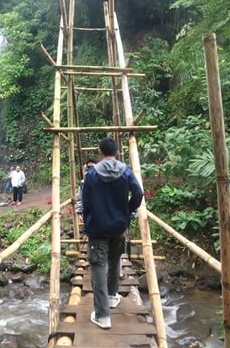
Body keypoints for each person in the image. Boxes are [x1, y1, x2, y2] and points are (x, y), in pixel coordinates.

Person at [82, 137, 143, 330]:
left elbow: (86, 202)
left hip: (98, 228)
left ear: (100, 152)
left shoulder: (92, 174)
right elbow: (139, 193)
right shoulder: (126, 171)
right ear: (117, 153)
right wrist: (128, 210)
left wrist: (89, 219)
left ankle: (102, 316)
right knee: (115, 259)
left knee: (99, 265)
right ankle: (112, 296)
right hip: (118, 225)